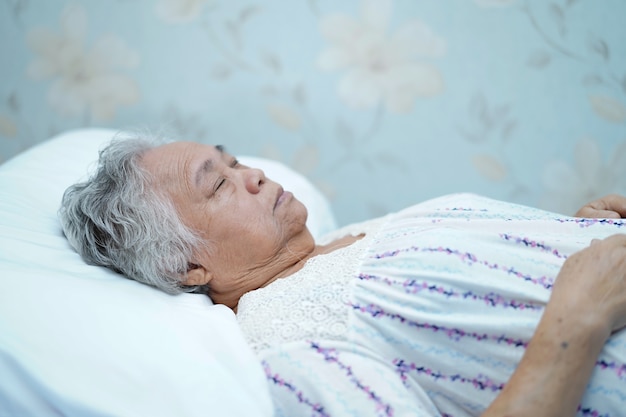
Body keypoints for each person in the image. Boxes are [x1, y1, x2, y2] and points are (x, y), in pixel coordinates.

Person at [59, 135, 626, 417]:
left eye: (233, 162)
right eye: (218, 184)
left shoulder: (347, 236)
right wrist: (578, 316)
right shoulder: (290, 346)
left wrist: (566, 238)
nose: (253, 174)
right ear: (186, 266)